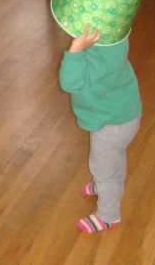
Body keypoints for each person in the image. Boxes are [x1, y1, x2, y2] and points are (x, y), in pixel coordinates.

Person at [59, 23, 141, 233]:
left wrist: (76, 50)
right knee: (115, 156)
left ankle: (108, 214)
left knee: (103, 169)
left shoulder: (100, 57)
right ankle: (111, 185)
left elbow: (69, 82)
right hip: (124, 114)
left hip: (110, 124)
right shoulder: (116, 37)